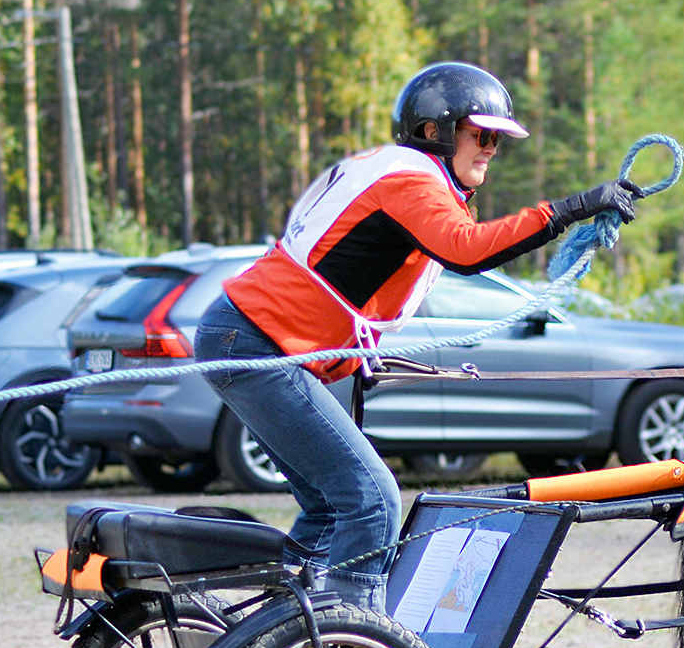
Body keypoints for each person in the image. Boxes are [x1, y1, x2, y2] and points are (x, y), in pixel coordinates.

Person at [194, 61, 643, 610]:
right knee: (372, 500)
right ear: (436, 131)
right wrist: (569, 209)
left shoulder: (400, 173)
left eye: (498, 141)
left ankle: (285, 631)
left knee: (331, 508)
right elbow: (467, 250)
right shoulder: (409, 178)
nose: (490, 150)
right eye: (481, 135)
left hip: (249, 339)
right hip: (255, 342)